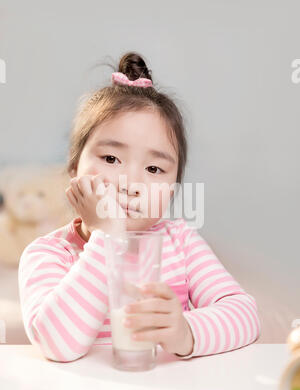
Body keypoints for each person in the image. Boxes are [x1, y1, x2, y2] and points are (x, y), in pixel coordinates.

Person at [18, 52, 261, 363]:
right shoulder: (49, 254)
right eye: (111, 159)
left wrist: (185, 332)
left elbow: (244, 315)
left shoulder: (180, 242)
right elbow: (57, 344)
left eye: (154, 170)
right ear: (74, 167)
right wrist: (108, 234)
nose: (131, 184)